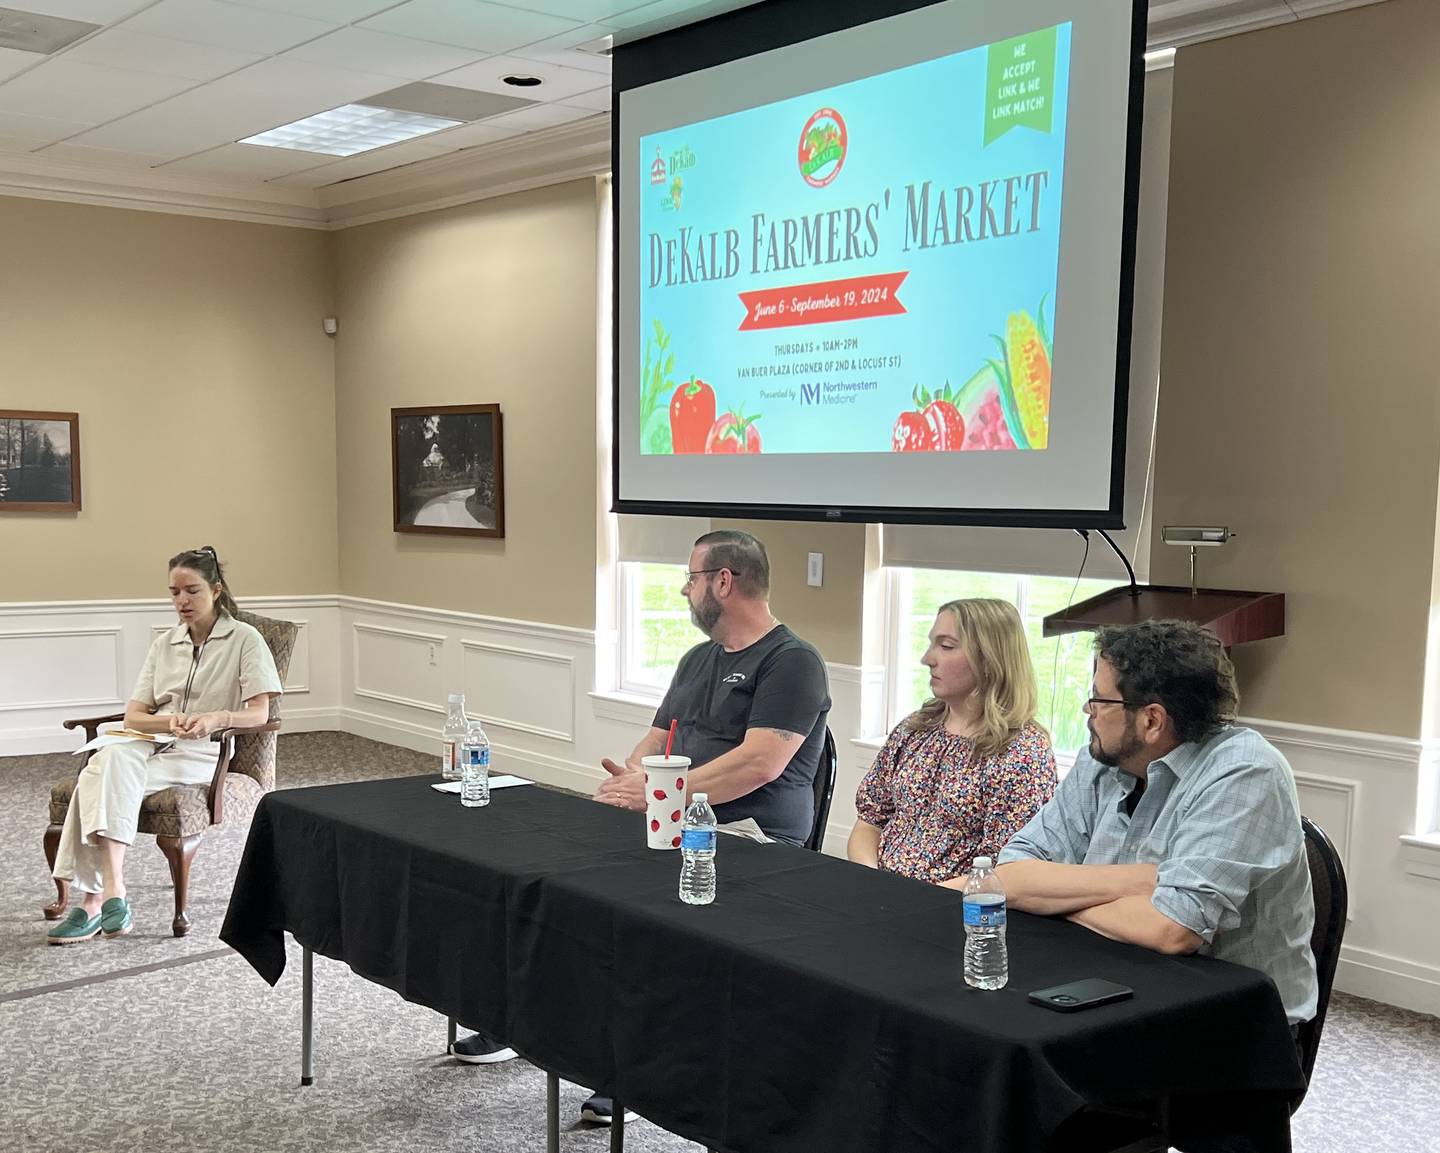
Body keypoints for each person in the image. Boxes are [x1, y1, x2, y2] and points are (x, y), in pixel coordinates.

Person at [452, 530, 832, 1128]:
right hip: (672, 821)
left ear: (723, 583)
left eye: (691, 577)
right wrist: (628, 780)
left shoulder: (793, 662)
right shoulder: (697, 659)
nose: (685, 589)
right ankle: (530, 1025)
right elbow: (658, 743)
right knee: (554, 884)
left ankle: (636, 1071)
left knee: (641, 922)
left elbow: (760, 763)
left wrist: (662, 791)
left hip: (750, 839)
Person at [996, 619, 1317, 1027]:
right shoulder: (1099, 762)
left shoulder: (1246, 771)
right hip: (1110, 980)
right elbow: (1014, 870)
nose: (1087, 711)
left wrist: (1051, 899)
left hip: (1228, 1024)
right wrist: (1143, 882)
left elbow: (1171, 929)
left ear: (1151, 720)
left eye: (1100, 700)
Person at [48, 547, 283, 944]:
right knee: (109, 760)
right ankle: (113, 893)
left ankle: (92, 901)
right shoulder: (166, 644)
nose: (182, 601)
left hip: (206, 752)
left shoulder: (245, 639)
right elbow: (134, 716)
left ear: (216, 590)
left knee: (97, 772)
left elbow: (260, 714)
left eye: (191, 591)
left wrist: (215, 718)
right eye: (174, 592)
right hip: (154, 742)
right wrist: (167, 721)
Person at [848, 599, 1055, 885]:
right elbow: (869, 821)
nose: (927, 658)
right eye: (932, 644)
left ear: (989, 659)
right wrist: (872, 881)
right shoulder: (916, 728)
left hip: (956, 909)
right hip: (882, 895)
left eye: (946, 646)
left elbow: (1005, 872)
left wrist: (913, 902)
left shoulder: (1022, 753)